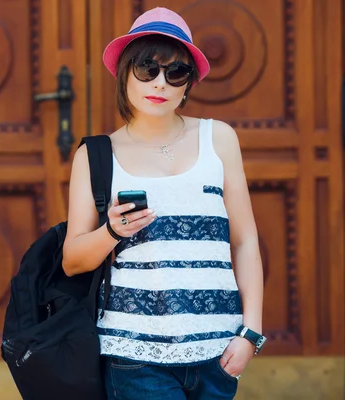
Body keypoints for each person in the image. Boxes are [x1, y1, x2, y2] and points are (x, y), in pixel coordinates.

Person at [62, 7, 265, 400]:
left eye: (176, 73)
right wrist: (112, 232)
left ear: (188, 84)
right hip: (134, 357)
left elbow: (245, 242)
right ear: (125, 73)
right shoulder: (97, 155)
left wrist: (250, 332)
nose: (160, 83)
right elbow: (73, 258)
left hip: (217, 351)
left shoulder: (218, 140)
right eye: (147, 68)